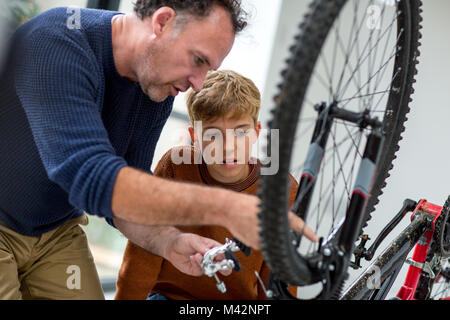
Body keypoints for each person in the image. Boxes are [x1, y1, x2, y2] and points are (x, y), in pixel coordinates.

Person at [0, 0, 311, 300]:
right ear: (163, 22)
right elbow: (91, 177)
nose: (200, 83)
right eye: (199, 60)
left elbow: (124, 198)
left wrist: (168, 240)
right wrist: (226, 206)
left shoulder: (156, 90)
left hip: (56, 232)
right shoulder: (56, 42)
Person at [114, 70, 317, 300]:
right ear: (194, 136)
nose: (228, 147)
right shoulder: (176, 167)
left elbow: (280, 279)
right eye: (213, 134)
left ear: (256, 132)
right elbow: (142, 256)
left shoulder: (282, 189)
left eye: (240, 132)